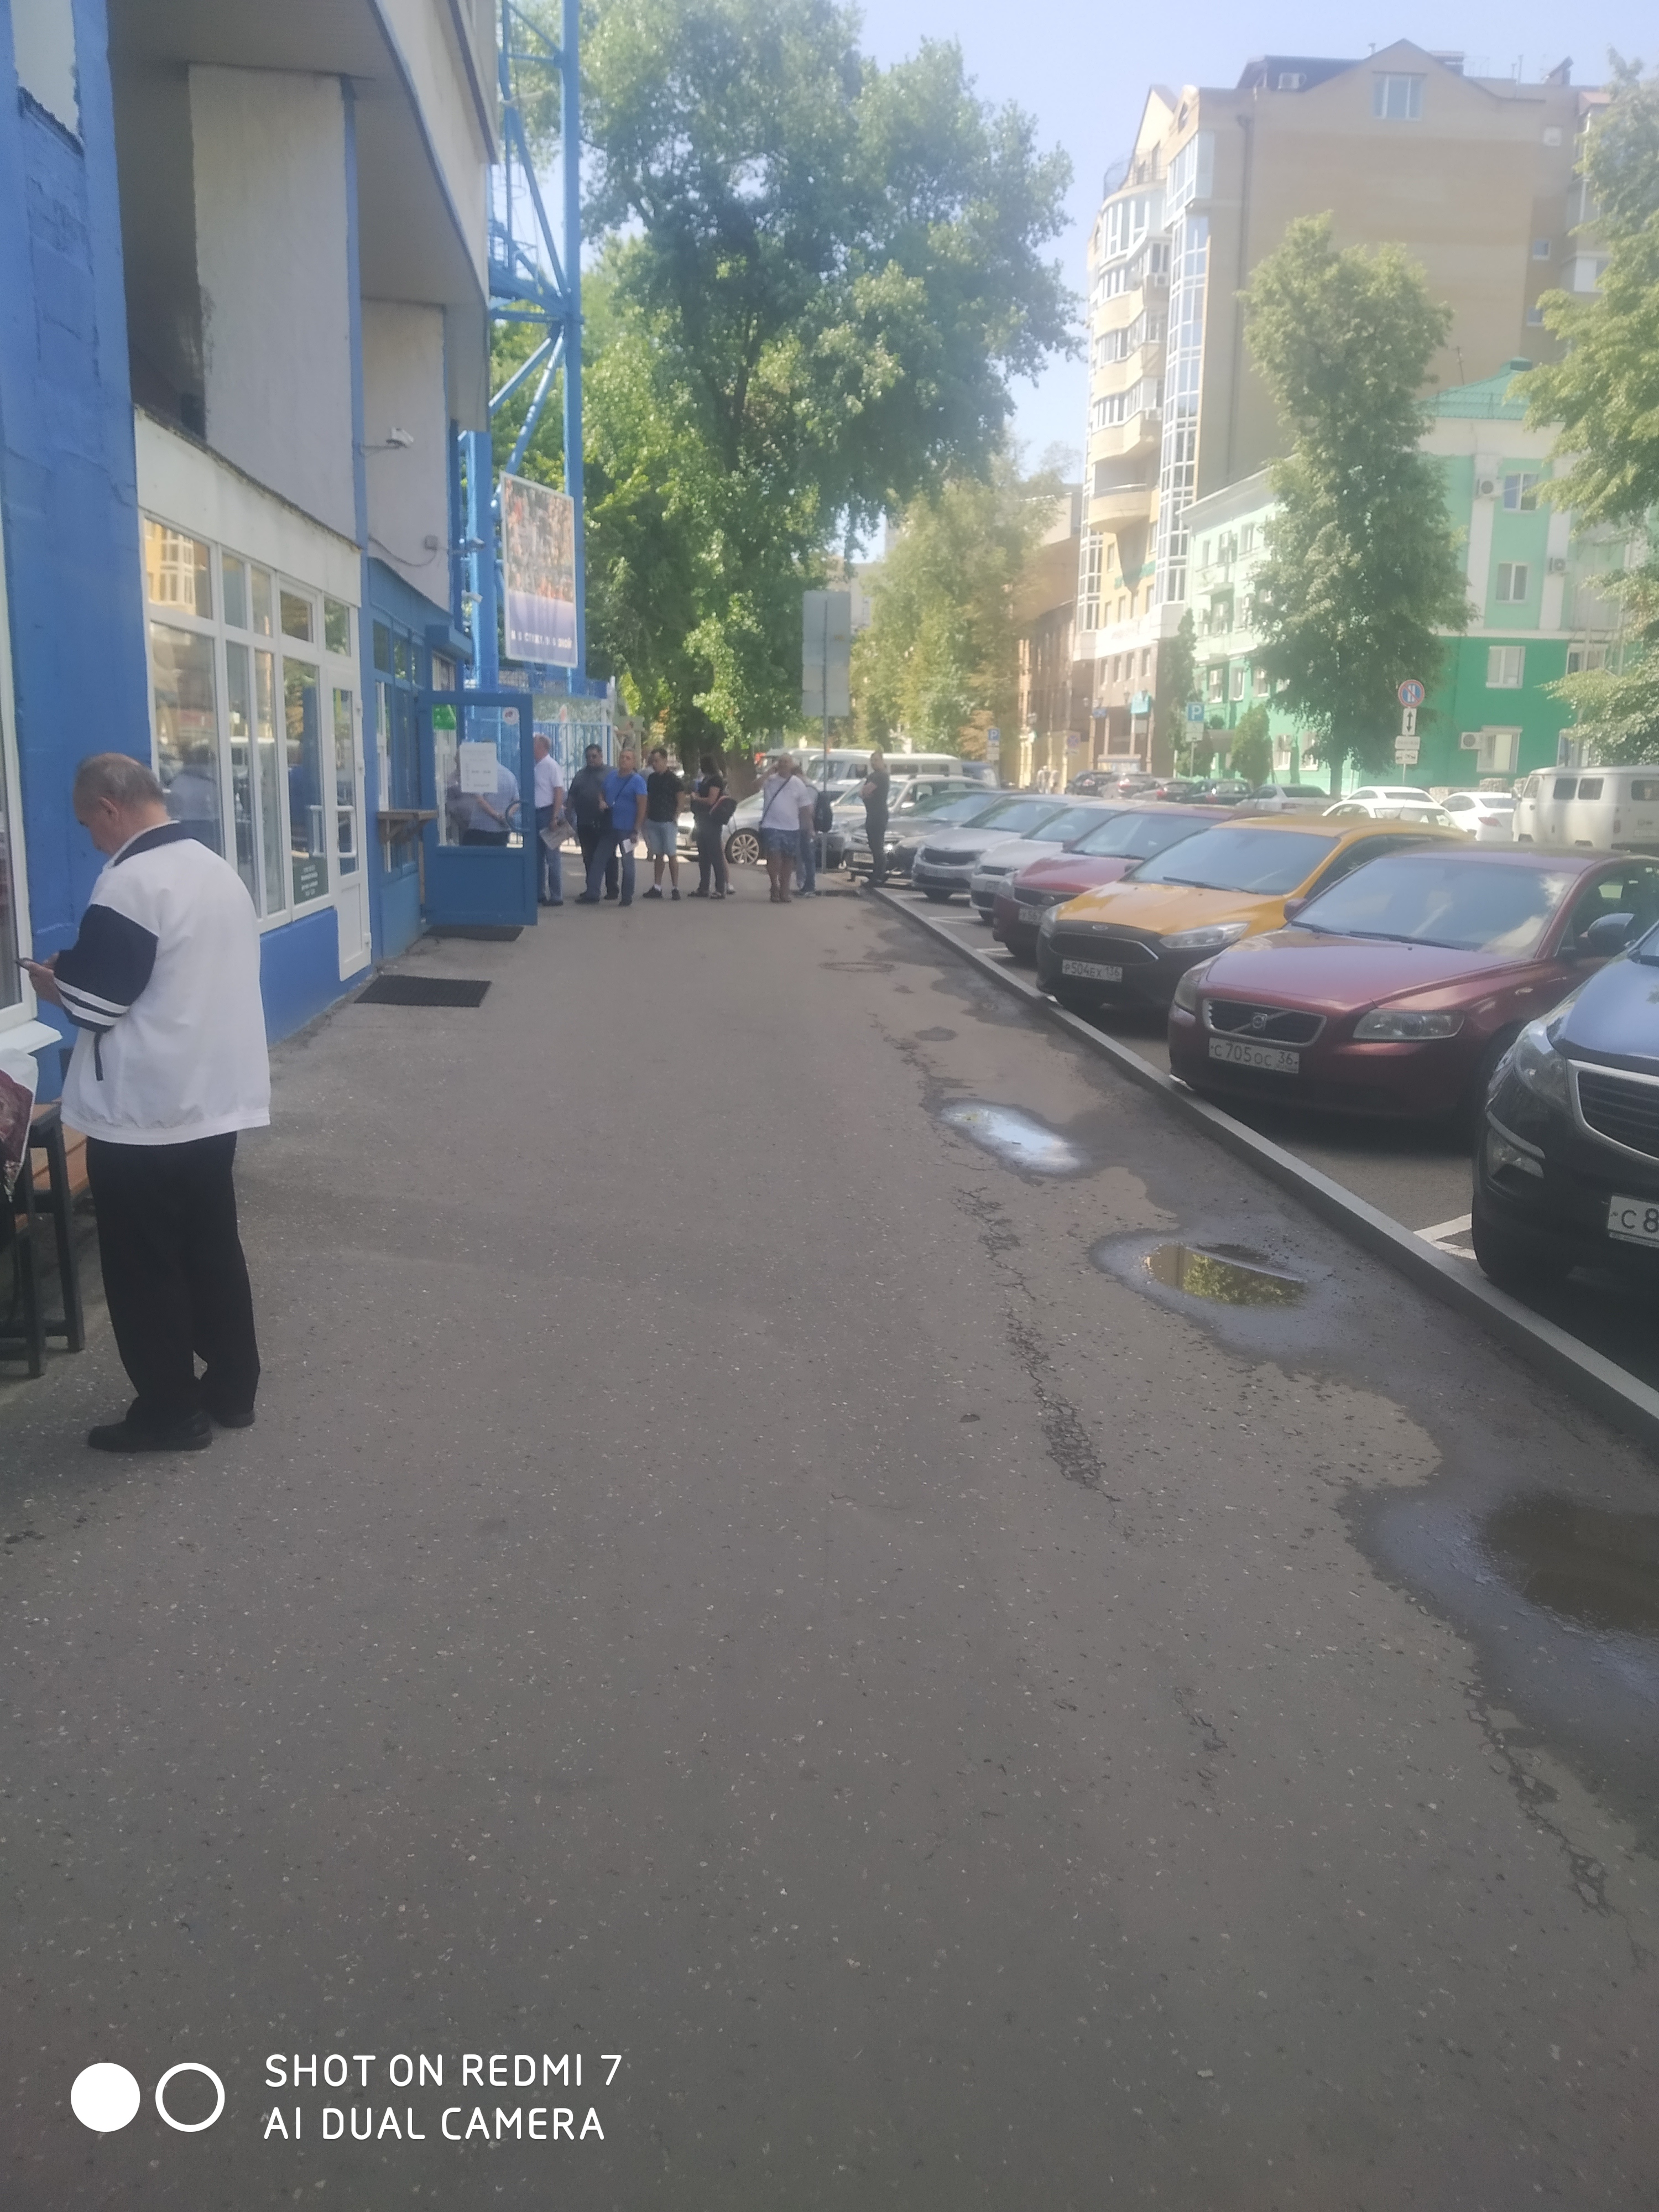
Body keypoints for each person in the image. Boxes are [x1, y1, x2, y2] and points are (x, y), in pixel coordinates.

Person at [22, 753, 269, 1452]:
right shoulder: (215, 869)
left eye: (87, 824)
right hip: (213, 1101)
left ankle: (168, 1411)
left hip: (143, 1114)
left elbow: (99, 1003)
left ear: (109, 808)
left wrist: (54, 984)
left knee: (144, 1266)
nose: (91, 839)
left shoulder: (131, 881)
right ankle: (233, 1389)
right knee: (212, 1246)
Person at [578, 745, 646, 905]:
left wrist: (636, 830)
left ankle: (627, 897)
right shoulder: (612, 776)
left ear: (634, 762)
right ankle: (592, 893)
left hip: (627, 830)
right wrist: (602, 801)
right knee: (599, 859)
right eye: (622, 757)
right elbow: (601, 792)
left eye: (628, 758)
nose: (624, 760)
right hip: (609, 827)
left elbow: (642, 806)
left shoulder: (638, 781)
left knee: (627, 863)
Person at [758, 753, 815, 904]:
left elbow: (806, 808)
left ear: (792, 766)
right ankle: (774, 885)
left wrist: (809, 828)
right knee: (774, 855)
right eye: (781, 762)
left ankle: (785, 889)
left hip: (791, 827)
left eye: (786, 762)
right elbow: (754, 787)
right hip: (771, 825)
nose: (783, 764)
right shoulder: (770, 780)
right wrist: (768, 773)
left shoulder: (798, 783)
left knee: (789, 859)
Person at [566, 743, 616, 899]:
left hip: (605, 822)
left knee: (609, 857)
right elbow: (572, 796)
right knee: (588, 857)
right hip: (584, 822)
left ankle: (612, 889)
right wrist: (568, 815)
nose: (591, 760)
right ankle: (592, 889)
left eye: (594, 756)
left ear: (601, 756)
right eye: (588, 757)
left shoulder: (611, 773)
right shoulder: (580, 775)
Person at [447, 751, 519, 845]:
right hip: (502, 831)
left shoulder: (483, 774)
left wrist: (497, 816)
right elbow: (517, 801)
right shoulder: (509, 775)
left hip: (481, 829)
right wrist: (506, 816)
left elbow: (479, 799)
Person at [641, 747, 684, 900]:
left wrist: (676, 816)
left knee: (671, 854)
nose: (654, 764)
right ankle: (657, 887)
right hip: (654, 820)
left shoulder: (674, 780)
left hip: (668, 821)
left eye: (657, 761)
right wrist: (646, 817)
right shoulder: (652, 779)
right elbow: (648, 798)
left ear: (665, 760)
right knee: (658, 854)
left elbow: (680, 799)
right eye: (653, 761)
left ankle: (675, 887)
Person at [688, 758, 732, 899]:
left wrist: (696, 798)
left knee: (716, 855)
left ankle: (720, 889)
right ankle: (704, 887)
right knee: (704, 856)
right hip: (702, 820)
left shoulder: (716, 780)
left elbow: (711, 800)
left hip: (712, 821)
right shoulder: (706, 779)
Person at [533, 734, 564, 906]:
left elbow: (558, 791)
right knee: (537, 856)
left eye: (533, 744)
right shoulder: (537, 766)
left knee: (552, 857)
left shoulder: (551, 765)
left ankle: (556, 895)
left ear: (540, 747)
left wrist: (555, 816)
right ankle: (539, 893)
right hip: (537, 813)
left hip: (548, 812)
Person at [860, 748, 891, 889]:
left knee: (878, 845)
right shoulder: (872, 776)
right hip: (871, 814)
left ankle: (879, 875)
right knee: (873, 845)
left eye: (876, 760)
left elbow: (866, 791)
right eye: (872, 760)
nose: (874, 763)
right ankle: (877, 873)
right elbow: (862, 793)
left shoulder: (882, 776)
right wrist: (866, 794)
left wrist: (866, 793)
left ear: (882, 761)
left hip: (879, 815)